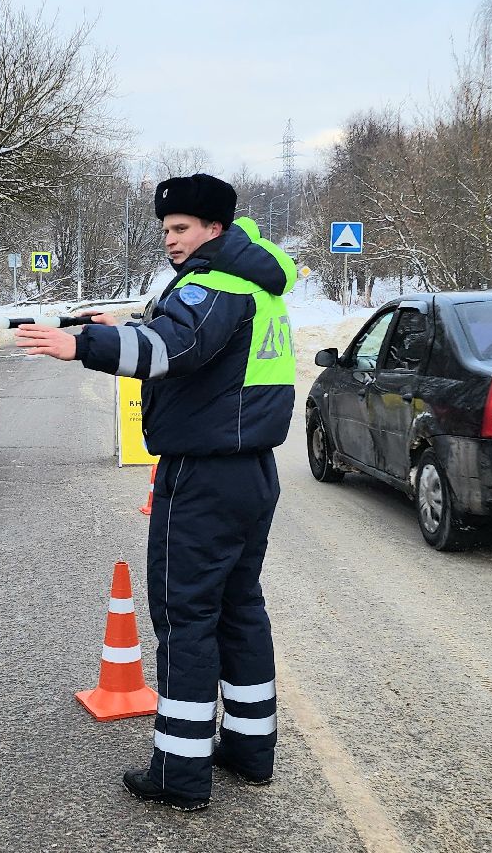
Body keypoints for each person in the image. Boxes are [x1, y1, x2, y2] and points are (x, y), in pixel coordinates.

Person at [15, 173, 296, 812]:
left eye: (181, 229)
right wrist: (128, 319)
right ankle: (250, 752)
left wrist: (80, 343)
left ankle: (179, 773)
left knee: (185, 618)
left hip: (203, 477)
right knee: (238, 608)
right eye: (166, 230)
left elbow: (173, 345)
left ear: (214, 229)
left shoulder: (213, 282)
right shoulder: (254, 281)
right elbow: (199, 340)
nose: (170, 240)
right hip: (251, 471)